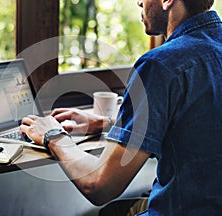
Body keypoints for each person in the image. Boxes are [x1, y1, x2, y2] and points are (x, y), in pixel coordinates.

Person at [20, 0, 222, 215]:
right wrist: (109, 124)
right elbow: (201, 118)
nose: (139, 2)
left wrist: (53, 135)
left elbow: (99, 185)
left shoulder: (160, 65)